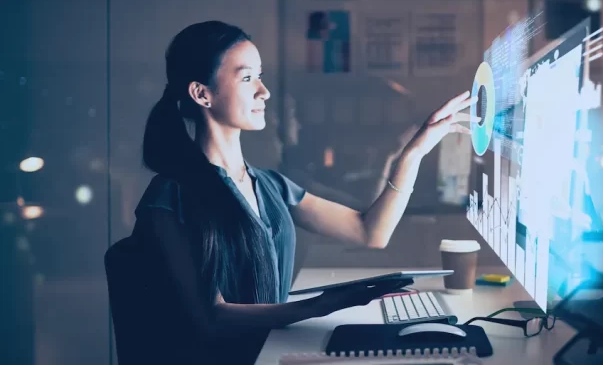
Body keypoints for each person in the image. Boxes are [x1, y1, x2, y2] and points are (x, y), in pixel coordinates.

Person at [134, 20, 476, 363]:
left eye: (261, 75)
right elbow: (210, 318)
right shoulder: (170, 197)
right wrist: (320, 305)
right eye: (247, 77)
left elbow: (371, 231)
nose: (263, 91)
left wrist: (412, 154)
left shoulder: (270, 186)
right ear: (201, 93)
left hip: (274, 350)